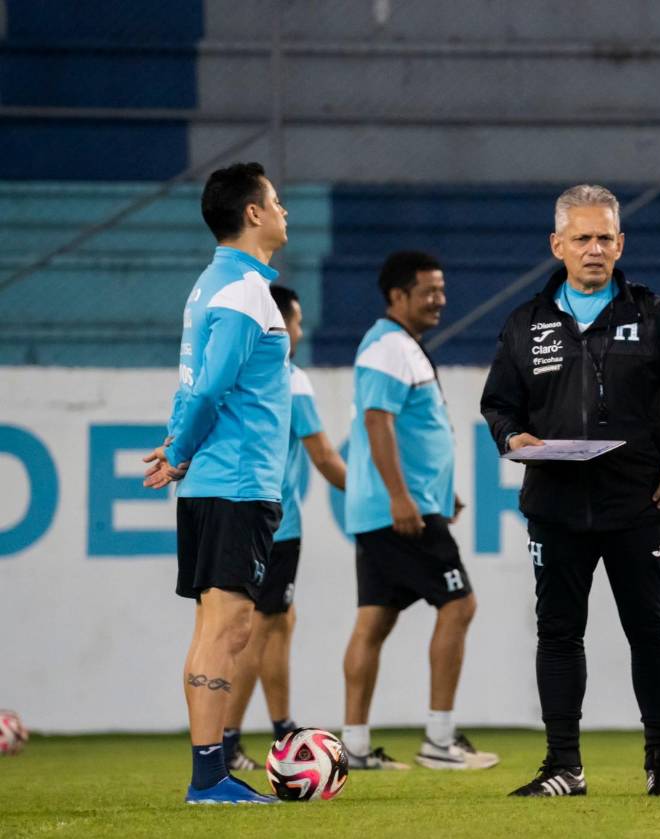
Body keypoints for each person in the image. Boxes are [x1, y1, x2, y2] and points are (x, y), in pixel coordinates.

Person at [481, 185, 660, 797]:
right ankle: (563, 767)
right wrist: (512, 435)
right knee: (558, 634)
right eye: (582, 239)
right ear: (558, 246)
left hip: (638, 507)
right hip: (556, 506)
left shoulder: (652, 315)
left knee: (650, 632)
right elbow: (497, 404)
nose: (594, 249)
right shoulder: (525, 324)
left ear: (620, 244)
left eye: (604, 238)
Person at [142, 161, 290, 804]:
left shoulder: (211, 286)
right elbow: (209, 387)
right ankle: (209, 777)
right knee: (226, 627)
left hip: (217, 479)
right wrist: (179, 451)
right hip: (235, 482)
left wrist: (179, 447)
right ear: (252, 214)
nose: (285, 211)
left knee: (222, 626)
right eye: (277, 201)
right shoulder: (244, 292)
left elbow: (191, 386)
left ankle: (210, 772)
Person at [341, 250, 498, 771]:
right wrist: (403, 497)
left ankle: (356, 748)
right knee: (460, 605)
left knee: (373, 622)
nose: (440, 300)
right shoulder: (387, 345)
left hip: (397, 508)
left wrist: (435, 490)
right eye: (429, 290)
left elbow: (409, 429)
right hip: (399, 512)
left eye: (442, 288)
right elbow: (377, 422)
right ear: (397, 296)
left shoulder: (399, 345)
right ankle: (439, 740)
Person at [221, 284, 348, 772]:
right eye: (294, 321)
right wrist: (367, 498)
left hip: (238, 515)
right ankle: (229, 739)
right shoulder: (290, 379)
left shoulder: (238, 375)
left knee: (278, 623)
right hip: (277, 523)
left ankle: (280, 727)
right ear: (280, 325)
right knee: (260, 629)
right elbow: (323, 456)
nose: (299, 330)